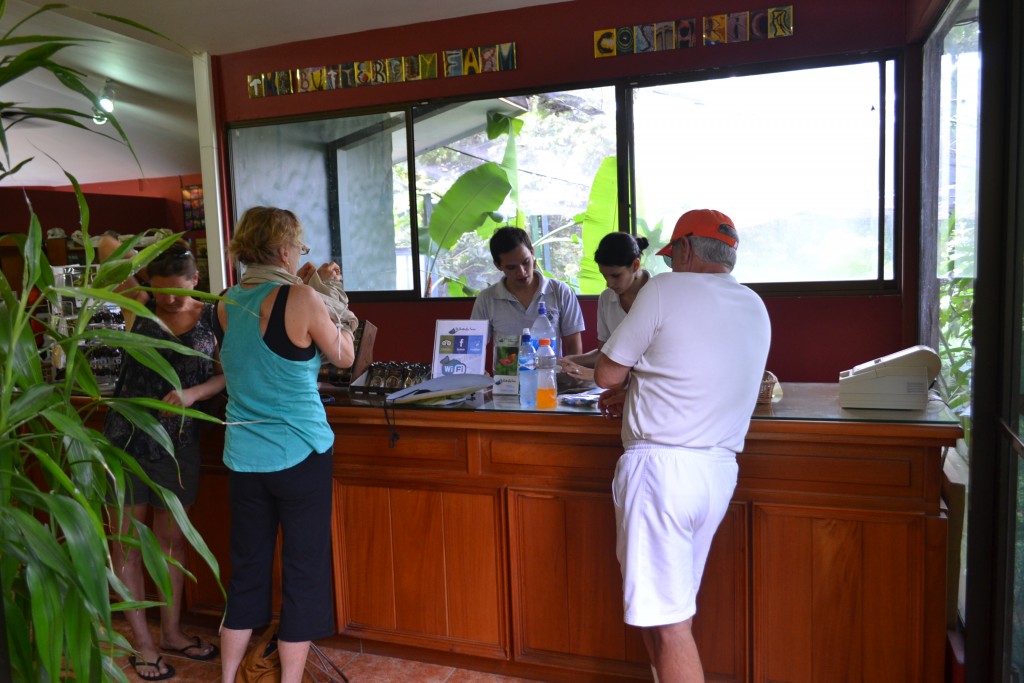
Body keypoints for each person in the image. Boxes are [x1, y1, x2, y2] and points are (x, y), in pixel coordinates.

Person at [594, 209, 770, 683]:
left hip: (662, 473)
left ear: (687, 250)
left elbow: (606, 372)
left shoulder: (664, 290)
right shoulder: (755, 305)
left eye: (673, 256)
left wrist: (627, 383)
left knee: (670, 626)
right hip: (717, 473)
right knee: (668, 614)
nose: (670, 265)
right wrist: (638, 390)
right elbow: (699, 377)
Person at [214, 206, 355, 683]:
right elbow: (345, 356)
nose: (299, 257)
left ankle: (228, 677)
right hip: (301, 454)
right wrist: (333, 299)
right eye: (299, 249)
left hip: (244, 458)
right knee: (302, 571)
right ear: (282, 250)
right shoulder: (299, 297)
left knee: (247, 570)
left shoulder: (225, 301)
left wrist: (313, 290)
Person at [103, 240, 224, 681]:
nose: (171, 299)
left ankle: (171, 632)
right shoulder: (137, 303)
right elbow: (105, 245)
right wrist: (156, 243)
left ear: (196, 281)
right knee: (127, 544)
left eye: (180, 289)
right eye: (162, 289)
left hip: (179, 444)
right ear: (150, 283)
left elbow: (225, 374)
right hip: (126, 440)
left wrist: (192, 393)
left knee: (171, 544)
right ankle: (144, 645)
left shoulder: (213, 316)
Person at [470, 226, 584, 357]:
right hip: (507, 377)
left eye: (526, 262)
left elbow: (574, 348)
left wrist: (571, 374)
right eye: (511, 267)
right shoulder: (486, 299)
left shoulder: (561, 291)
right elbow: (474, 346)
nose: (521, 272)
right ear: (498, 265)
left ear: (532, 252)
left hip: (549, 375)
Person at [559, 232, 651, 381]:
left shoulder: (659, 294)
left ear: (635, 265)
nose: (609, 283)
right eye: (604, 276)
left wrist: (595, 374)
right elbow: (605, 354)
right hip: (618, 388)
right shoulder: (606, 298)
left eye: (615, 276)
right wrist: (568, 361)